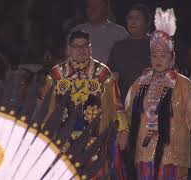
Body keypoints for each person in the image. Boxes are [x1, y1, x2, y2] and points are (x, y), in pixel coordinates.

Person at [125, 8, 191, 180]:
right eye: (155, 55)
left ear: (172, 58)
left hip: (173, 151)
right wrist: (122, 134)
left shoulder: (184, 85)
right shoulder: (140, 83)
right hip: (144, 151)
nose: (158, 60)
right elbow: (127, 113)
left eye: (163, 55)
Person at [41, 30, 129, 179]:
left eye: (85, 46)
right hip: (63, 141)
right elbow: (46, 109)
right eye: (76, 46)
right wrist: (41, 135)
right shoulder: (56, 75)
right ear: (68, 49)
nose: (81, 50)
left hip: (95, 140)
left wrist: (123, 130)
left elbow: (116, 104)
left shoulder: (102, 74)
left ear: (90, 49)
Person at [107, 3, 151, 103]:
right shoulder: (118, 47)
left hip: (150, 103)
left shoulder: (155, 45)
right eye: (130, 18)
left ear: (147, 22)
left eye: (137, 18)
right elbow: (109, 73)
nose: (133, 22)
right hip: (124, 102)